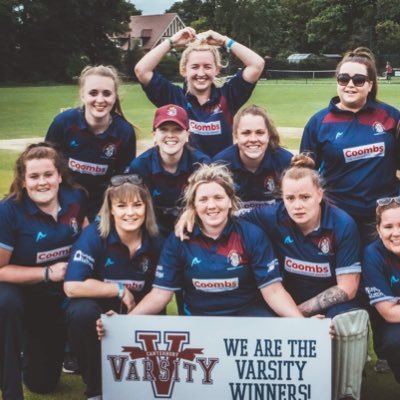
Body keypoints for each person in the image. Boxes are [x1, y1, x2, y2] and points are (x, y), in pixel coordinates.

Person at [175, 154, 368, 399]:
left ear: (320, 194)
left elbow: (347, 288)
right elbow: (222, 213)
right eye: (290, 198)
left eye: (305, 197)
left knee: (345, 323)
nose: (297, 205)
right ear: (281, 198)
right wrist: (189, 215)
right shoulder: (271, 215)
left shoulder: (342, 223)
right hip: (285, 299)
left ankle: (343, 392)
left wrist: (299, 317)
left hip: (332, 302)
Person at [97, 163, 302, 321]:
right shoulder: (180, 239)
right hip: (199, 322)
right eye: (203, 200)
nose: (211, 206)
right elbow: (160, 293)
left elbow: (273, 291)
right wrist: (124, 324)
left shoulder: (252, 235)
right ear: (193, 205)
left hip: (247, 318)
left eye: (218, 198)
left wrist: (303, 324)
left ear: (230, 201)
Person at [64, 174, 164, 400]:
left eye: (137, 205)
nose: (130, 213)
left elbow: (162, 291)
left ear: (147, 207)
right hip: (98, 312)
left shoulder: (157, 240)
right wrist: (118, 290)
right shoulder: (94, 236)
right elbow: (72, 286)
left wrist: (126, 322)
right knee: (81, 312)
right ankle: (95, 390)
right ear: (110, 209)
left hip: (139, 310)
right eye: (122, 206)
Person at [0, 142, 87, 400]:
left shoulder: (76, 198)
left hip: (57, 299)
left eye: (48, 175)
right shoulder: (8, 211)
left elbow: (86, 239)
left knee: (42, 383)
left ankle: (30, 348)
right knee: (5, 300)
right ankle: (11, 389)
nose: (42, 182)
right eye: (34, 176)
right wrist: (46, 273)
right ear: (23, 181)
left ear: (59, 176)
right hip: (22, 296)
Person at [300, 47, 400, 246]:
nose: (350, 85)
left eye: (359, 80)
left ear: (370, 85)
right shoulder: (319, 122)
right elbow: (304, 174)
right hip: (339, 216)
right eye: (344, 79)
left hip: (384, 216)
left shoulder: (390, 117)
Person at [134, 27, 265, 157]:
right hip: (185, 176)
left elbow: (257, 64)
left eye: (207, 67)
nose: (201, 73)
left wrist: (224, 41)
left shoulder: (228, 97)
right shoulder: (174, 98)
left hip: (219, 175)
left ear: (216, 70)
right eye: (195, 67)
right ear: (184, 70)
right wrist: (172, 42)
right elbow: (142, 70)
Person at [46, 65, 137, 221]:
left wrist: (101, 214)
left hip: (101, 207)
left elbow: (122, 180)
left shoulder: (124, 132)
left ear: (115, 97)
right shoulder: (64, 122)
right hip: (62, 201)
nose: (100, 100)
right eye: (93, 93)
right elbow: (46, 166)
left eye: (107, 94)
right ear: (82, 95)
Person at [129, 104, 210, 237]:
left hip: (192, 229)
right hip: (152, 232)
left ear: (187, 135)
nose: (170, 135)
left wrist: (192, 213)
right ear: (154, 135)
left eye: (177, 129)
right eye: (164, 129)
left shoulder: (201, 164)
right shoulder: (139, 167)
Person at [212, 104, 292, 210]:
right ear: (236, 135)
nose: (253, 139)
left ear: (268, 135)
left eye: (260, 133)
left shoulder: (285, 162)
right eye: (246, 133)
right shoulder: (220, 165)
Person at [363, 196, 400, 383]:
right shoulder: (373, 254)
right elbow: (389, 313)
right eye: (388, 227)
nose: (396, 233)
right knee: (395, 342)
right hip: (395, 324)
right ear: (378, 230)